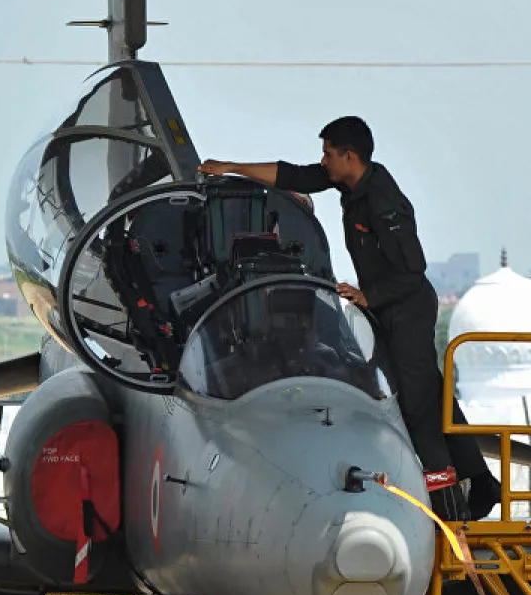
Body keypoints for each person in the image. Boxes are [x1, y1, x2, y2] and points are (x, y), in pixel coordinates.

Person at [198, 116, 502, 520]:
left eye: (328, 154)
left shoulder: (382, 200)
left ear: (349, 155)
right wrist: (230, 167)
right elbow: (295, 174)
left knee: (416, 405)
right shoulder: (348, 183)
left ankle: (451, 508)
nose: (322, 161)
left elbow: (413, 271)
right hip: (384, 307)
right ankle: (482, 481)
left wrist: (366, 295)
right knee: (429, 391)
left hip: (407, 308)